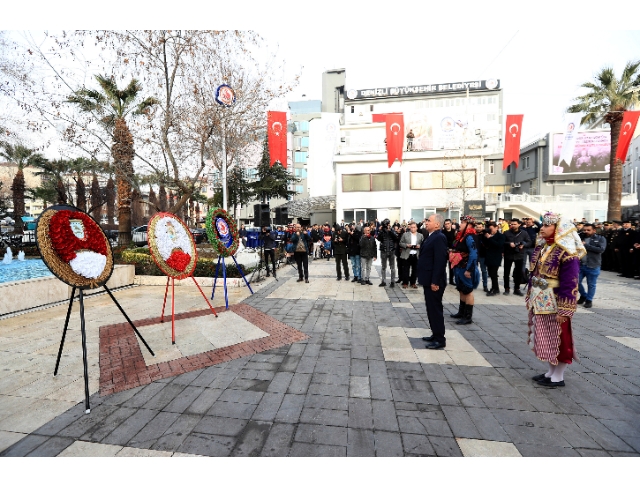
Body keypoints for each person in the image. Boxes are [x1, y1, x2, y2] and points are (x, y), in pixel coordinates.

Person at [526, 212, 585, 388]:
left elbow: (570, 283)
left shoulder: (567, 253)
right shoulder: (543, 247)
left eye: (546, 225)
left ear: (558, 228)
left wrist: (565, 309)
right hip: (541, 299)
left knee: (560, 338)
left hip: (557, 300)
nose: (542, 228)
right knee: (545, 336)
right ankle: (550, 372)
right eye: (542, 225)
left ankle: (558, 376)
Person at [419, 214, 449, 349]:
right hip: (428, 279)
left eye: (429, 221)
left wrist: (435, 281)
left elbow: (440, 261)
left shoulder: (439, 238)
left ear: (437, 224)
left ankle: (440, 339)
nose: (426, 222)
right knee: (431, 309)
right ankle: (435, 333)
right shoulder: (431, 236)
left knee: (435, 309)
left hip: (434, 281)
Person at [448, 216, 480, 324]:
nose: (460, 224)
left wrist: (469, 269)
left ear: (469, 225)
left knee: (468, 291)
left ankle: (468, 317)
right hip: (459, 266)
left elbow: (473, 253)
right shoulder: (462, 235)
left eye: (462, 222)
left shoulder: (470, 237)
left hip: (465, 267)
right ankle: (461, 312)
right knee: (461, 289)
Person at [577, 223, 606, 308]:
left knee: (591, 284)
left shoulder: (600, 238)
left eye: (588, 230)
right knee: (575, 282)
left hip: (593, 265)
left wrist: (586, 245)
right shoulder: (579, 237)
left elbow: (601, 249)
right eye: (584, 230)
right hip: (580, 265)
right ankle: (583, 295)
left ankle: (589, 300)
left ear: (594, 230)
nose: (586, 231)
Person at [502, 218, 532, 296]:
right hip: (508, 254)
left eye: (514, 224)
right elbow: (502, 242)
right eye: (511, 224)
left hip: (519, 255)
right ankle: (506, 288)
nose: (513, 225)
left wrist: (523, 245)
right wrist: (509, 243)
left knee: (518, 273)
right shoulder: (506, 233)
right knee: (506, 273)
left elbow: (529, 242)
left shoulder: (524, 233)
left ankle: (517, 289)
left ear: (519, 224)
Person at [483, 221, 506, 296]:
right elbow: (485, 245)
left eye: (492, 229)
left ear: (496, 228)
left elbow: (499, 245)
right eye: (489, 229)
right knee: (491, 273)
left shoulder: (501, 236)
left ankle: (495, 289)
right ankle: (495, 288)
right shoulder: (488, 235)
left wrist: (490, 238)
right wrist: (486, 237)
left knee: (494, 273)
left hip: (496, 257)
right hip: (489, 256)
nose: (491, 230)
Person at [399, 221, 423, 289]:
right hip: (407, 254)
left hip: (416, 254)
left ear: (417, 228)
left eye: (414, 227)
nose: (413, 229)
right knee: (406, 269)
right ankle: (405, 282)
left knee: (415, 270)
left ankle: (413, 283)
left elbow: (424, 244)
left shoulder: (420, 235)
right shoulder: (405, 234)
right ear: (409, 228)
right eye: (411, 227)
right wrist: (406, 245)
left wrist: (419, 246)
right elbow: (400, 243)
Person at [376, 218, 399, 287]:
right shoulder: (382, 231)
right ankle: (383, 281)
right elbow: (378, 238)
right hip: (384, 251)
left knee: (392, 267)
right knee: (383, 267)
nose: (387, 225)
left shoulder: (392, 230)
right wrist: (380, 231)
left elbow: (396, 237)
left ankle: (392, 281)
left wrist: (390, 231)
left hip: (391, 250)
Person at [475, 221, 489, 292]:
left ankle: (485, 285)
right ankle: (474, 284)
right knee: (474, 270)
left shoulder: (485, 234)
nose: (478, 229)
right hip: (475, 254)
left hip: (483, 255)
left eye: (480, 227)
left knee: (484, 271)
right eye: (477, 227)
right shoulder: (473, 234)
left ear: (482, 227)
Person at [442, 219, 457, 285]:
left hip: (453, 251)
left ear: (451, 224)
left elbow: (456, 241)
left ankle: (451, 280)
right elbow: (442, 242)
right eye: (446, 224)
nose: (447, 225)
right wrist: (447, 249)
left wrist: (453, 249)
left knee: (452, 267)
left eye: (448, 223)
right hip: (444, 251)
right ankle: (444, 280)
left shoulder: (454, 232)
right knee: (443, 266)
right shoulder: (442, 232)